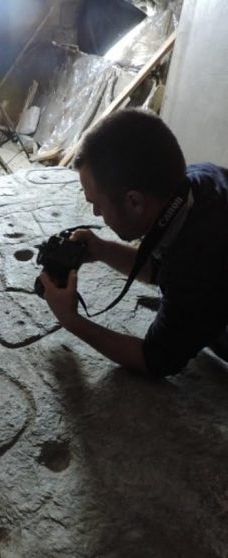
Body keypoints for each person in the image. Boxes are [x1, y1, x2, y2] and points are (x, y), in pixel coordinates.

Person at [39, 108, 228, 377]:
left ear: (134, 201)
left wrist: (71, 320)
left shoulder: (196, 263)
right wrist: (102, 249)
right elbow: (160, 266)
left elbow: (157, 359)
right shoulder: (199, 181)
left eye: (97, 204)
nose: (95, 214)